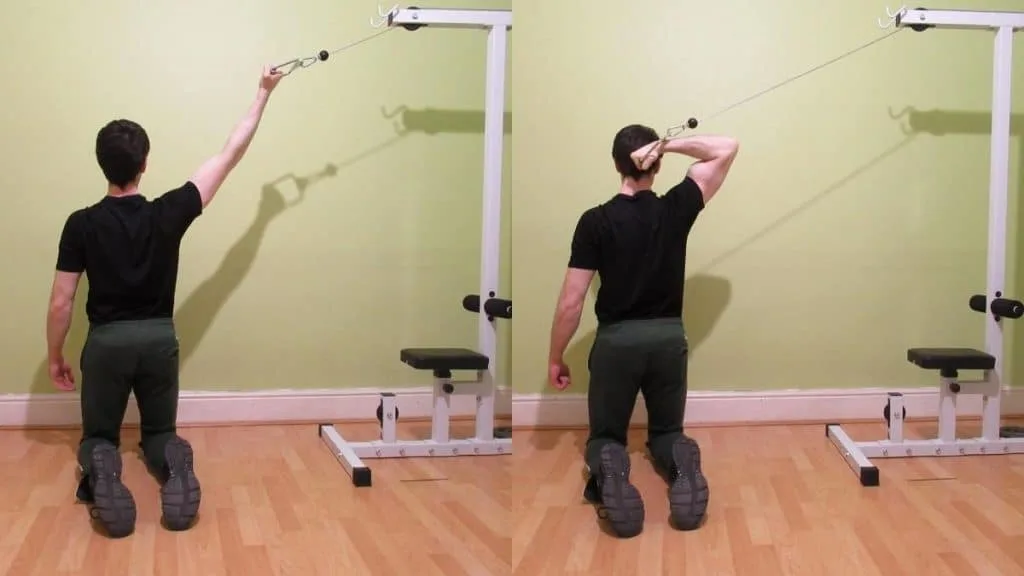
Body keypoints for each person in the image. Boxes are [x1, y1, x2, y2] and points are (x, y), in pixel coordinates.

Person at [45, 65, 285, 538]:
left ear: (102, 164)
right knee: (158, 434)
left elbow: (60, 303)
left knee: (99, 435)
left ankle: (101, 462)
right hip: (159, 340)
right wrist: (262, 92)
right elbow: (229, 155)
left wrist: (55, 356)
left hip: (107, 344)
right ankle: (173, 462)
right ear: (144, 164)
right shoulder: (168, 213)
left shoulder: (81, 223)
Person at [546, 124, 739, 538]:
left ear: (616, 164)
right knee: (667, 432)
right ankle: (680, 460)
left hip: (618, 342)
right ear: (656, 164)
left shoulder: (594, 221)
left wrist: (556, 356)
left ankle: (612, 467)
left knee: (606, 436)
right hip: (669, 339)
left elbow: (571, 303)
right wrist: (668, 143)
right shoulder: (676, 207)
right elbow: (727, 147)